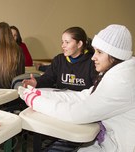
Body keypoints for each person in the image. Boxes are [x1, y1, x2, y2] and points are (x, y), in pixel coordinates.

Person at [19, 24, 135, 152]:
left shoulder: (121, 81)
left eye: (99, 52)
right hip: (108, 141)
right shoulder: (116, 72)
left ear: (115, 55)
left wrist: (36, 101)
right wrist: (41, 94)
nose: (93, 57)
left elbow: (77, 113)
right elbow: (84, 95)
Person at [23, 27, 98, 91]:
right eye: (62, 42)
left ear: (79, 44)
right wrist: (36, 82)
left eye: (67, 42)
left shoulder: (93, 61)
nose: (63, 46)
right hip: (62, 101)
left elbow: (96, 87)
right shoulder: (59, 60)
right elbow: (48, 78)